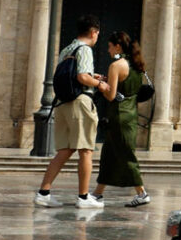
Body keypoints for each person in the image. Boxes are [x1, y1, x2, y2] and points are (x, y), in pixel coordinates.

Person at [36, 16, 108, 209]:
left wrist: (93, 77)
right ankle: (83, 197)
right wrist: (100, 84)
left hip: (63, 103)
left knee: (64, 151)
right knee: (86, 150)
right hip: (80, 102)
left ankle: (44, 192)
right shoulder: (85, 49)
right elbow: (82, 76)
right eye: (97, 34)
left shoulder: (68, 49)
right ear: (93, 32)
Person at [94, 31, 151, 206]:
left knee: (127, 155)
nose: (108, 50)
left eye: (110, 47)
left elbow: (111, 95)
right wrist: (106, 81)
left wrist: (101, 85)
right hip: (130, 114)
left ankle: (142, 193)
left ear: (117, 46)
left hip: (118, 114)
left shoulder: (116, 65)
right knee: (109, 154)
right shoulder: (135, 65)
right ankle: (97, 193)